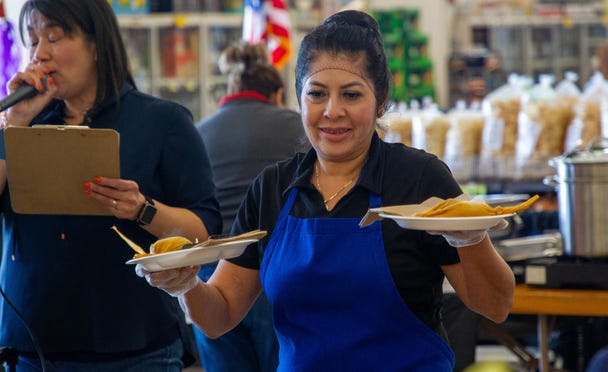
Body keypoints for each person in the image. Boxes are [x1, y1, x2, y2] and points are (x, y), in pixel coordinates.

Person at [138, 10, 515, 371]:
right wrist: (186, 284)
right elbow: (219, 314)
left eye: (351, 95)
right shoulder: (274, 188)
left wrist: (471, 239)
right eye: (316, 94)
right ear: (298, 98)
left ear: (381, 101)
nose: (332, 111)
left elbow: (495, 305)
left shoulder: (418, 180)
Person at [0, 1, 221, 371]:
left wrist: (142, 209)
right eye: (32, 40)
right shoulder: (21, 126)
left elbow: (204, 232)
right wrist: (15, 125)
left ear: (97, 44)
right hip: (31, 351)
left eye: (53, 37)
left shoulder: (162, 121)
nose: (39, 53)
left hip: (137, 350)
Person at [194, 41, 306, 371]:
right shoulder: (298, 126)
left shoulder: (198, 133)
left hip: (211, 276)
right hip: (276, 270)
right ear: (276, 93)